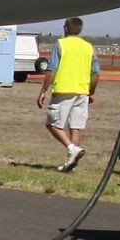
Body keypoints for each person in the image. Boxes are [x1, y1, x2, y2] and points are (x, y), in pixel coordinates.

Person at [36, 16, 100, 172]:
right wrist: (90, 91)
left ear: (65, 28)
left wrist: (43, 90)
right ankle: (71, 163)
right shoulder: (88, 47)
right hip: (82, 92)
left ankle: (72, 149)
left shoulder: (61, 44)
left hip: (64, 90)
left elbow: (52, 70)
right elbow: (96, 73)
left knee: (52, 124)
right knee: (76, 127)